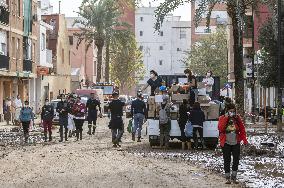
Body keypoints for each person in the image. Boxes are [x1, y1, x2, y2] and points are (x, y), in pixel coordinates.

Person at [218, 103, 248, 184]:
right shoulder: (222, 118)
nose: (232, 113)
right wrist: (226, 117)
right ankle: (227, 177)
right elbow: (220, 128)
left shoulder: (237, 118)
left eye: (233, 111)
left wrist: (244, 139)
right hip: (226, 142)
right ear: (227, 111)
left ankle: (234, 177)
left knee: (236, 159)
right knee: (227, 160)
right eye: (230, 111)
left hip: (236, 141)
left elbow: (242, 129)